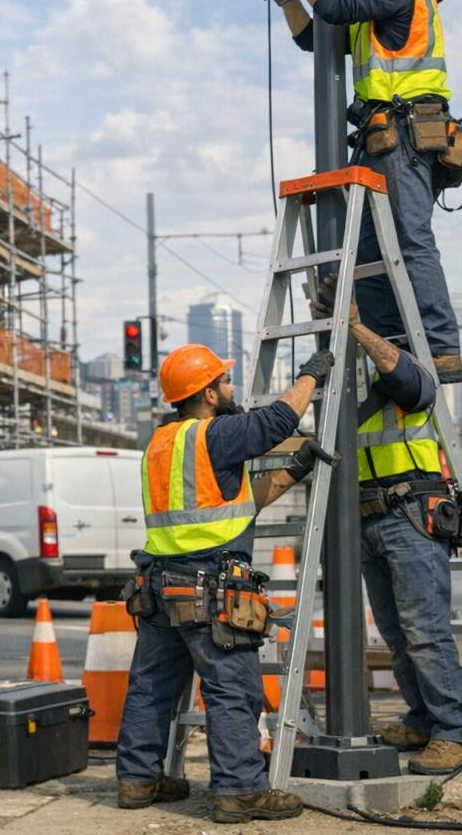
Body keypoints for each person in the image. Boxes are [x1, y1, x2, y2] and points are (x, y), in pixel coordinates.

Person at [115, 343, 334, 823]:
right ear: (208, 393)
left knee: (151, 687)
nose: (233, 389)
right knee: (231, 689)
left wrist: (293, 471)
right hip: (208, 587)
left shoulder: (159, 444)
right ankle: (239, 790)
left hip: (157, 587)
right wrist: (310, 376)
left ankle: (138, 780)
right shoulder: (216, 434)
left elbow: (231, 507)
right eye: (226, 382)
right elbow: (276, 422)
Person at [267, 0, 462, 384]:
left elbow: (333, 4)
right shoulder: (375, 7)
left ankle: (439, 347)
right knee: (371, 250)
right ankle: (393, 344)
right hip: (382, 137)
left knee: (411, 239)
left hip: (405, 134)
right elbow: (316, 36)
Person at [311, 285, 462, 774]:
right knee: (396, 634)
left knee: (425, 632)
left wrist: (355, 324)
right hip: (364, 516)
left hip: (409, 512)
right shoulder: (346, 382)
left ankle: (458, 732)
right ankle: (423, 718)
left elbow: (410, 382)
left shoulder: (409, 369)